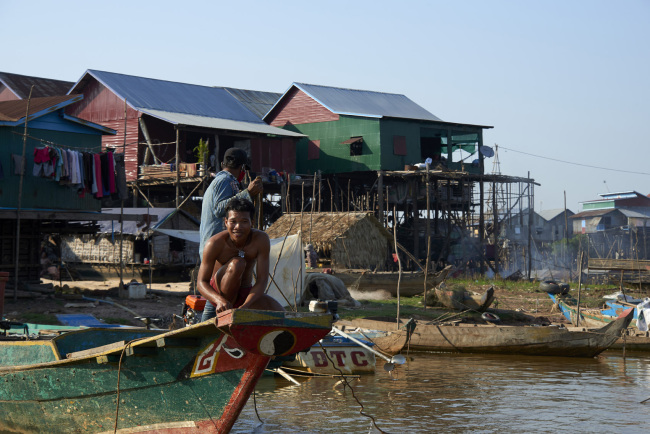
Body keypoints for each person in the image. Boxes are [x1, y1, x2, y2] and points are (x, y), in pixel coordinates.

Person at [197, 198, 283, 320]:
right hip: (220, 295)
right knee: (237, 264)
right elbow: (201, 282)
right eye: (233, 221)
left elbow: (262, 279)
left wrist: (246, 305)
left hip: (245, 294)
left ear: (251, 222)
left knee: (284, 316)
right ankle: (227, 314)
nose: (238, 227)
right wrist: (219, 300)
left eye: (244, 221)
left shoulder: (261, 240)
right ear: (226, 222)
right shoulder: (214, 243)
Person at [199, 147, 263, 259]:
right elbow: (219, 209)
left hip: (216, 248)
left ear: (222, 163)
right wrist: (247, 193)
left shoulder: (223, 180)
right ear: (242, 167)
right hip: (217, 248)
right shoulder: (225, 180)